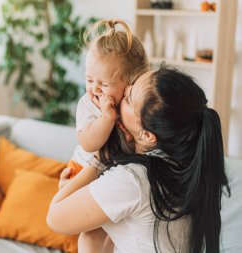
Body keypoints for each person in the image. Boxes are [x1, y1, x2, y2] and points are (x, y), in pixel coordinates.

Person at [47, 66, 230, 253]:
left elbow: (54, 219)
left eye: (128, 99)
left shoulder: (134, 180)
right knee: (90, 235)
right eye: (131, 85)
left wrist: (101, 158)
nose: (124, 89)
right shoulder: (187, 170)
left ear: (147, 136)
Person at [67, 19, 149, 180]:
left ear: (131, 83)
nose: (95, 88)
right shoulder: (89, 104)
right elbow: (88, 144)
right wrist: (106, 118)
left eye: (104, 84)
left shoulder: (136, 108)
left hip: (113, 174)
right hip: (82, 170)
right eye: (89, 80)